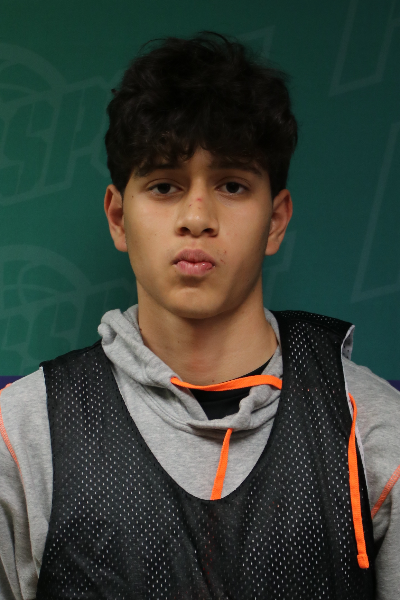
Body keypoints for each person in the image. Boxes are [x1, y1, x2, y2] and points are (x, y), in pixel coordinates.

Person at [0, 30, 399, 600]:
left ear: (276, 220)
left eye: (231, 185)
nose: (196, 216)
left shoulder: (374, 433)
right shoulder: (22, 435)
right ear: (118, 217)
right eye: (164, 185)